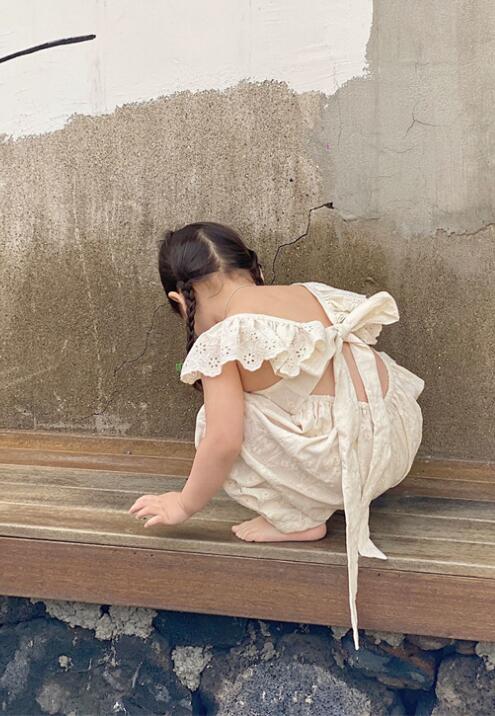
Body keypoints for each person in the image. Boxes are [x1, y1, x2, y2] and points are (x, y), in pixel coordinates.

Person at [128, 221, 424, 650]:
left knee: (215, 420)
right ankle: (317, 496)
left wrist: (184, 503)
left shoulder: (222, 340)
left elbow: (225, 440)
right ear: (254, 269)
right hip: (393, 436)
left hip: (348, 459)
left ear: (180, 301)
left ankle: (297, 518)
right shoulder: (308, 293)